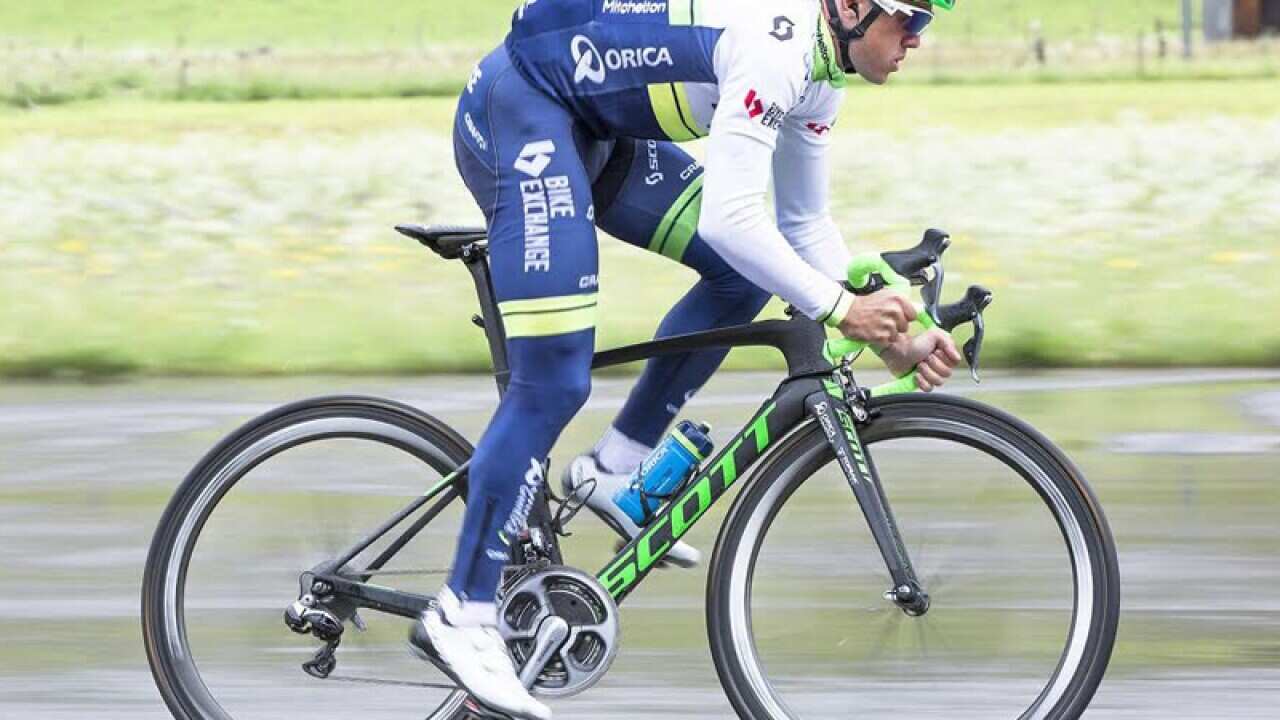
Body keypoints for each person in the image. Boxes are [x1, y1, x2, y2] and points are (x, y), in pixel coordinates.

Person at [410, 1, 963, 718]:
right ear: (855, 6)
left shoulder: (824, 70)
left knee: (742, 279)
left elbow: (801, 226)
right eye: (910, 20)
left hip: (597, 131)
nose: (916, 41)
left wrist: (897, 332)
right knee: (553, 380)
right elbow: (732, 219)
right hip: (525, 110)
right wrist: (841, 308)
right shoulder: (777, 50)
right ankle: (464, 609)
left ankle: (611, 470)